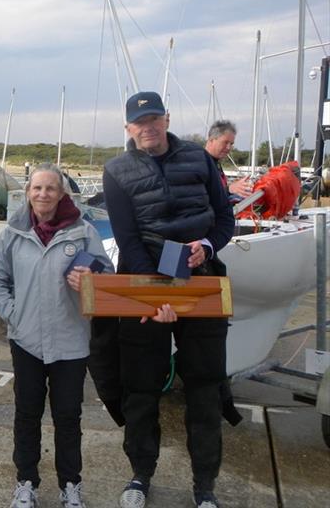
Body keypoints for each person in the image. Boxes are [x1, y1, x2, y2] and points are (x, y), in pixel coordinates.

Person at [91, 91, 234, 508]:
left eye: (154, 118)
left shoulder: (199, 158)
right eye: (139, 121)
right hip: (144, 287)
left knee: (206, 386)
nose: (147, 127)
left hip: (202, 283)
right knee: (140, 388)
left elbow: (225, 219)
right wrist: (156, 294)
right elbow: (128, 239)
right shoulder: (116, 171)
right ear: (128, 128)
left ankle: (204, 485)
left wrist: (206, 247)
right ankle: (140, 474)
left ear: (167, 119)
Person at [0, 163, 114, 508]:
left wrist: (91, 280)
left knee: (68, 417)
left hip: (70, 343)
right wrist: (14, 314)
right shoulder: (13, 233)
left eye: (50, 189)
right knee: (26, 414)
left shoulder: (84, 233)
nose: (43, 194)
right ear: (28, 193)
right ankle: (26, 482)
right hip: (26, 341)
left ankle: (71, 485)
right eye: (37, 188)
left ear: (62, 194)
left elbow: (107, 276)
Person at [204, 120, 253, 199]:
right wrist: (230, 189)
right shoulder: (200, 164)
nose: (229, 148)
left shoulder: (215, 163)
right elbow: (197, 196)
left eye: (231, 144)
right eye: (225, 142)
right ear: (211, 140)